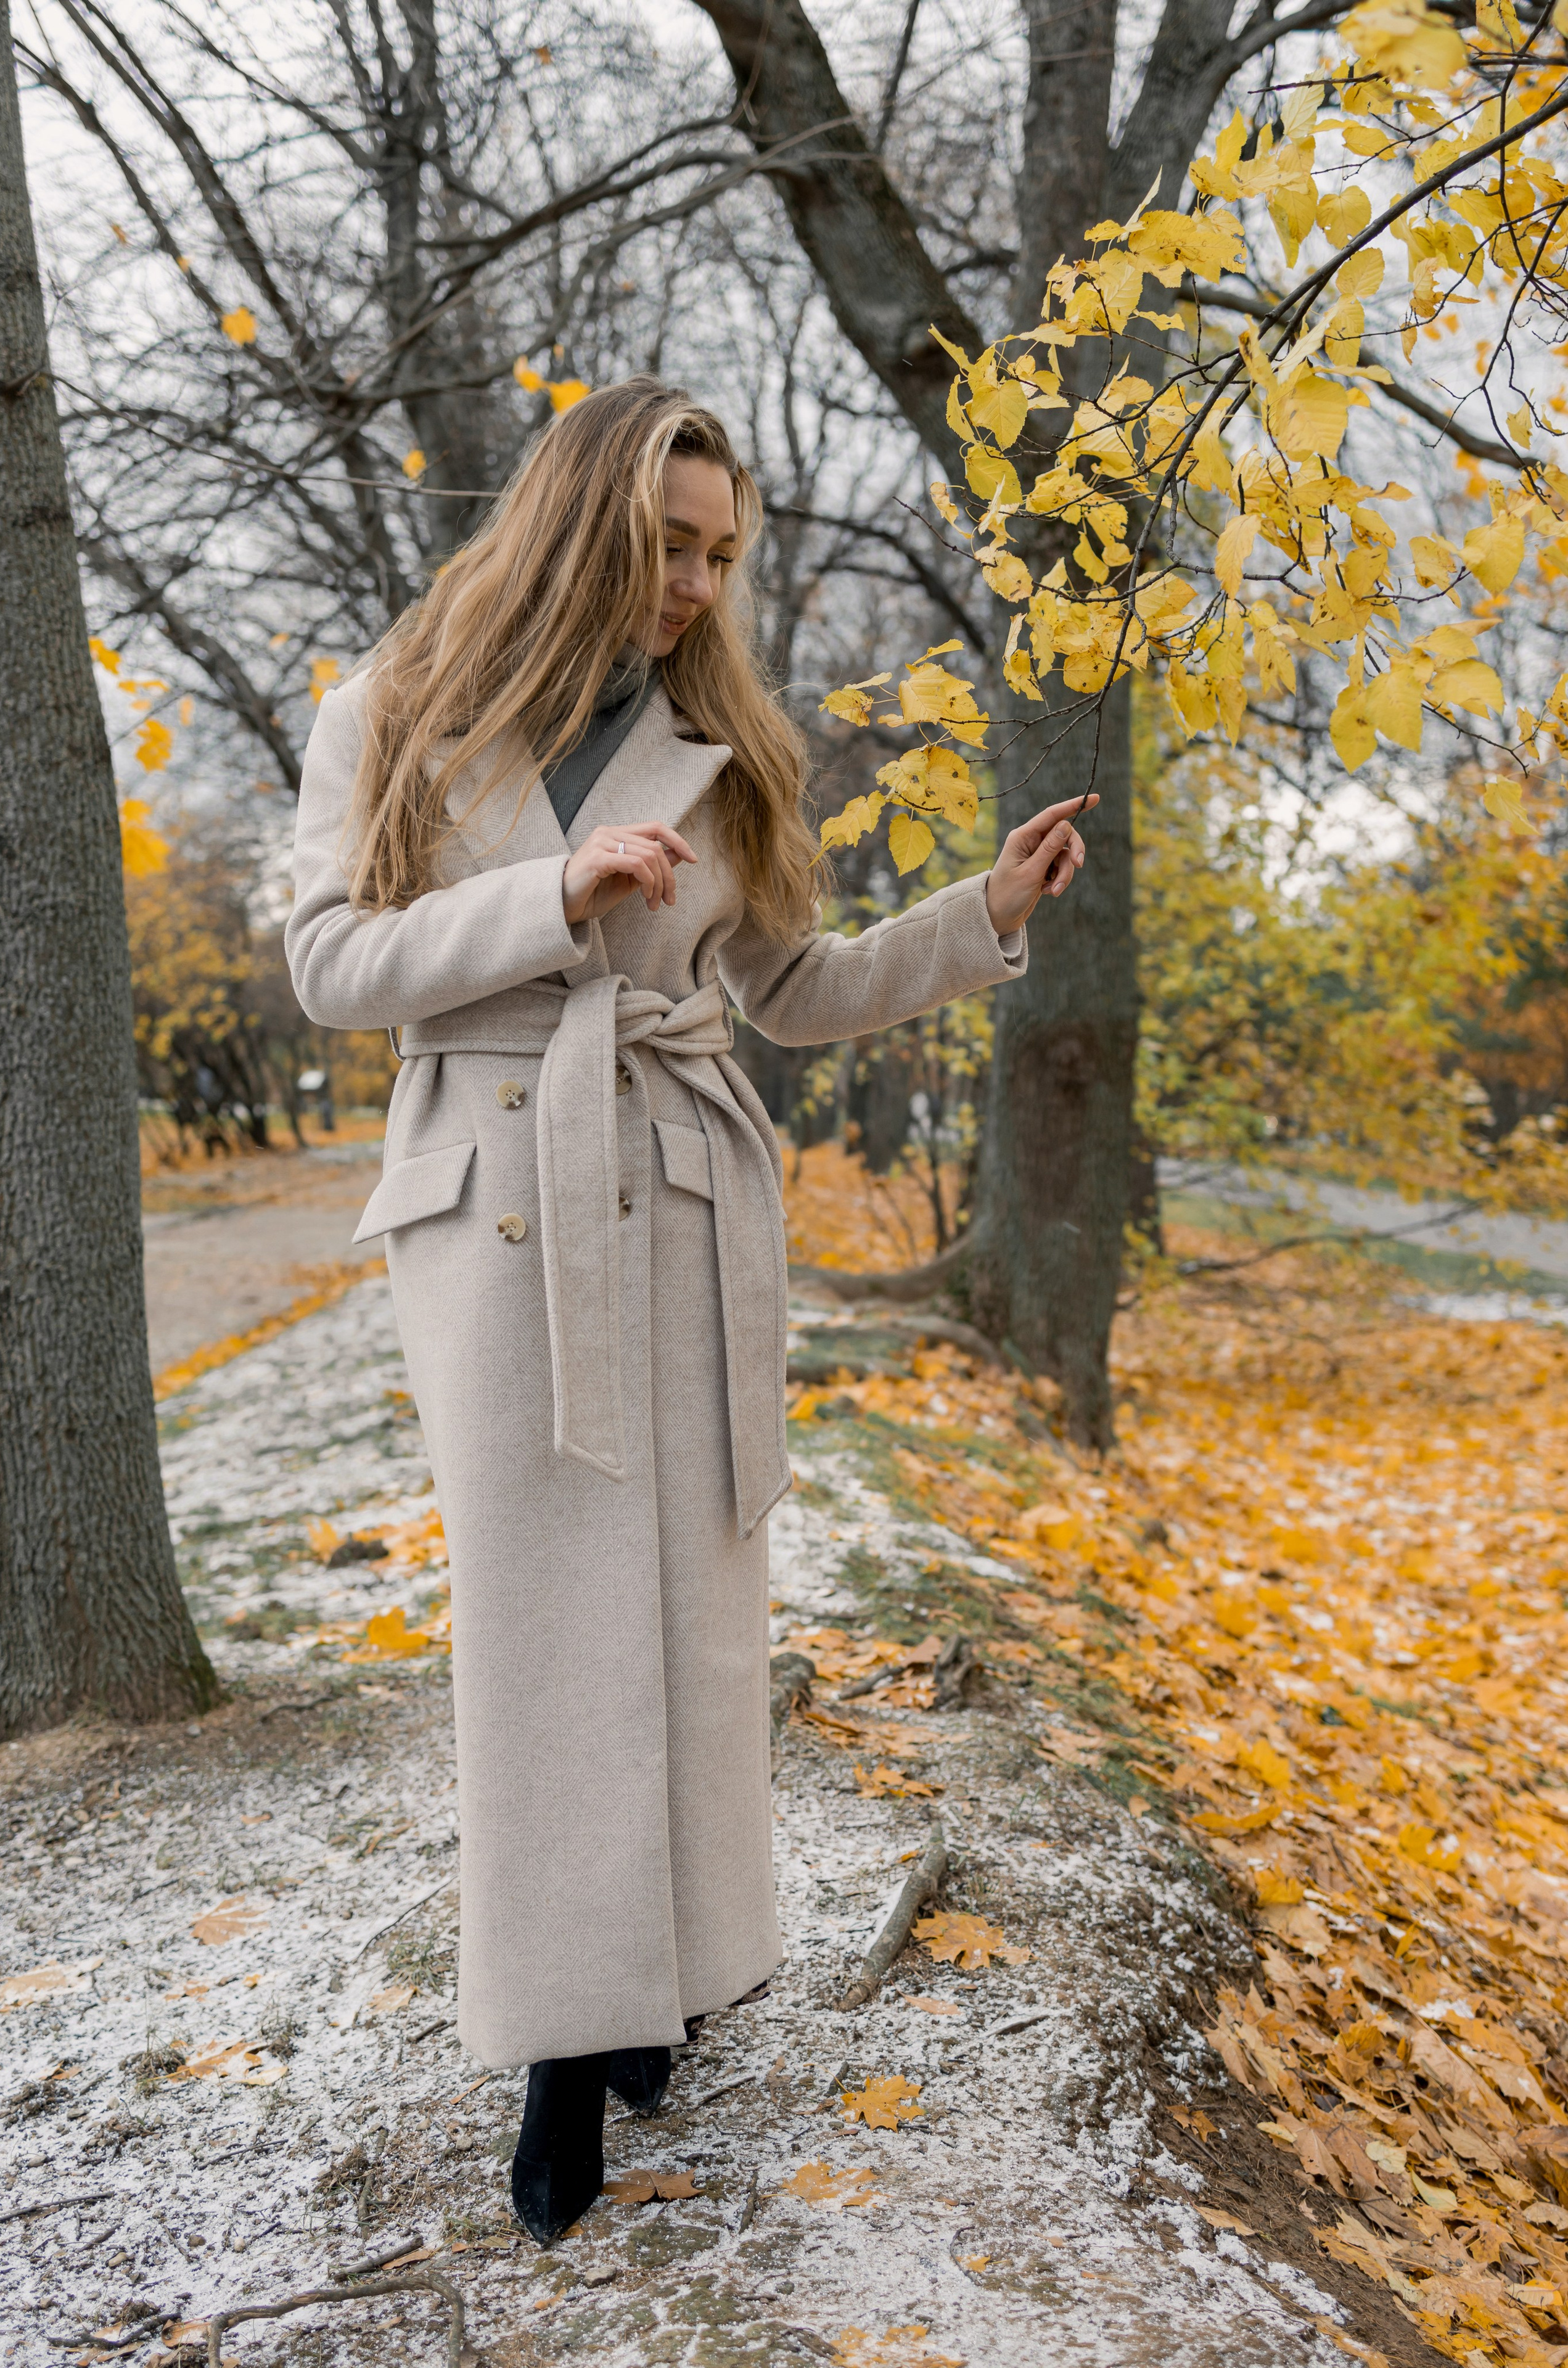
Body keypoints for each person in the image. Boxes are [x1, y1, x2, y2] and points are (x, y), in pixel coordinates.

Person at [284, 376, 1094, 2245]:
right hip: (499, 1196)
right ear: (581, 521)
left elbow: (793, 987)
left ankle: (675, 1980)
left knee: (692, 1622)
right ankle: (564, 2048)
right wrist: (554, 894)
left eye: (722, 555)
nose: (698, 587)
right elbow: (331, 964)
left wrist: (979, 915)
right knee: (546, 1637)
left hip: (681, 1185)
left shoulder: (717, 739)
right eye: (669, 545)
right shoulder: (392, 710)